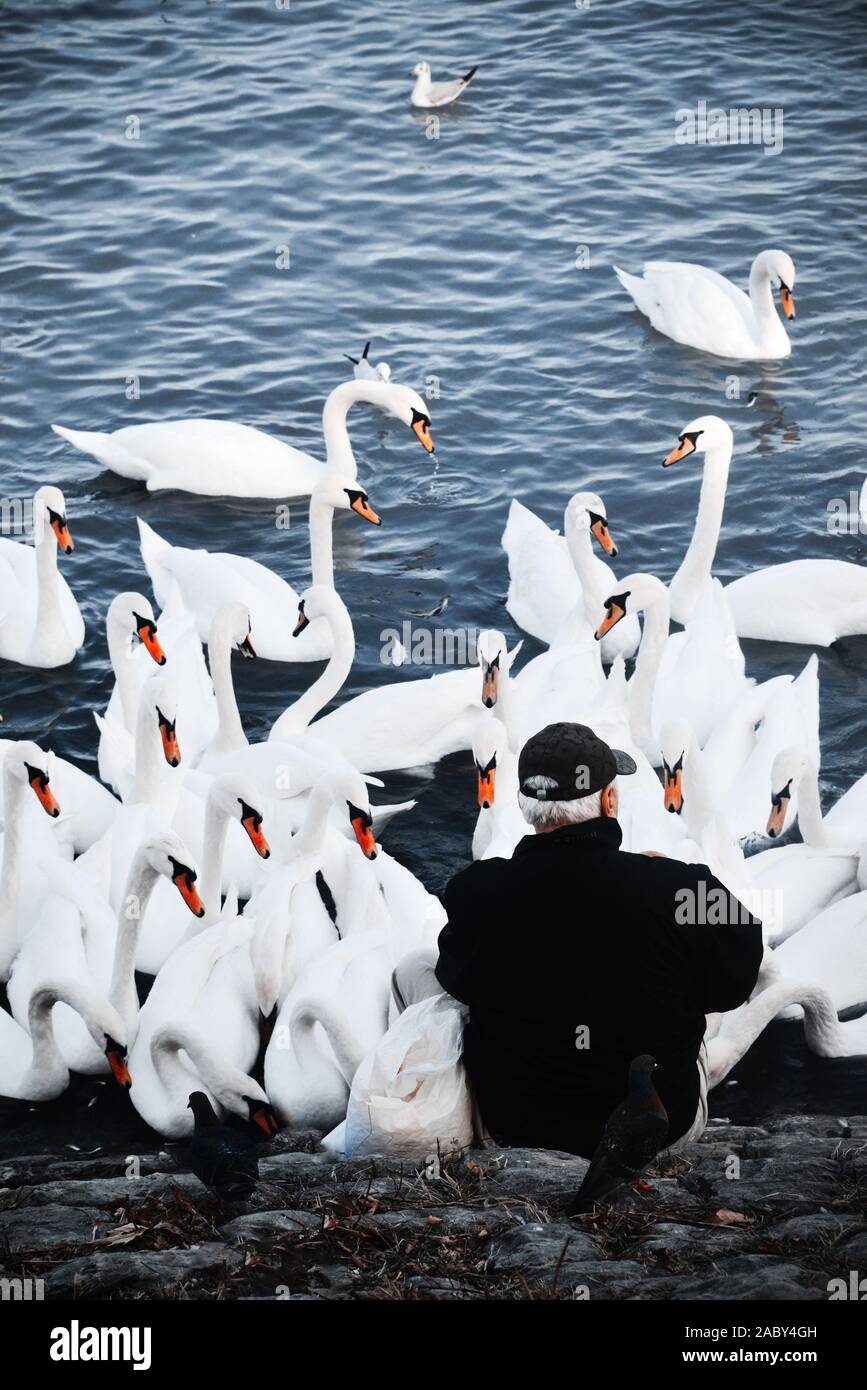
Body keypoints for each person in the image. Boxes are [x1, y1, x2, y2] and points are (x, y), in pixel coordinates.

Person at [392, 722, 763, 1158]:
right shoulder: (679, 887)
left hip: (516, 1127)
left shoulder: (478, 891)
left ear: (523, 804)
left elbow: (458, 980)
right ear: (609, 799)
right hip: (659, 1129)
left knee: (411, 971)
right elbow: (736, 981)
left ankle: (428, 1114)